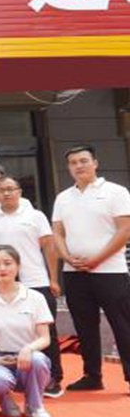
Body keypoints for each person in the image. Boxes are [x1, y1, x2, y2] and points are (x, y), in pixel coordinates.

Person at [51, 144, 130, 392]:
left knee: (123, 324)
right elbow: (57, 232)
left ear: (95, 163)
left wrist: (97, 259)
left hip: (110, 271)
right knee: (84, 326)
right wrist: (66, 257)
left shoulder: (115, 192)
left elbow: (125, 230)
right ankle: (92, 375)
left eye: (83, 161)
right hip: (74, 272)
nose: (79, 166)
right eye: (73, 163)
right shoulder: (63, 198)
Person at [0, 175, 63, 397]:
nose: (6, 193)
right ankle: (7, 374)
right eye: (1, 190)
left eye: (11, 189)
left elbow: (49, 247)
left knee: (46, 331)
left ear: (19, 191)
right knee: (5, 329)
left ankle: (53, 377)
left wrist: (53, 278)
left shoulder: (35, 216)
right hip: (2, 283)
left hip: (36, 281)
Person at [0, 246, 53, 417]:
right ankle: (4, 399)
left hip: (29, 357)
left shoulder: (36, 297)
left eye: (8, 263)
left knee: (38, 360)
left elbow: (45, 338)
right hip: (0, 357)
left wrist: (28, 349)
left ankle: (35, 405)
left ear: (18, 266)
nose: (2, 268)